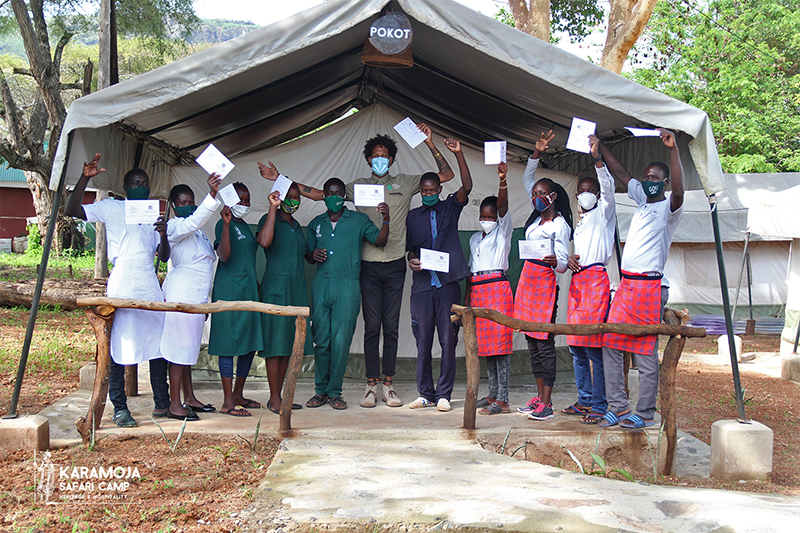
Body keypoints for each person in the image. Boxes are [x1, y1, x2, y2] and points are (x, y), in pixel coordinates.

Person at [258, 123, 454, 408]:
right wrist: (280, 180)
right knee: (372, 327)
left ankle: (389, 385)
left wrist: (430, 143)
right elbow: (319, 194)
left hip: (396, 263)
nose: (380, 159)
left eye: (384, 155)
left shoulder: (406, 182)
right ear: (368, 159)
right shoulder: (357, 188)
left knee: (392, 327)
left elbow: (446, 175)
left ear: (391, 158)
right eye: (375, 155)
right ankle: (370, 385)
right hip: (367, 265)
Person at [65, 154, 170, 428]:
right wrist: (85, 178)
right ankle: (120, 407)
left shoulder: (152, 213)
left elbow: (163, 255)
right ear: (125, 188)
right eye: (135, 183)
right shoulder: (111, 207)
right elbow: (72, 209)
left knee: (158, 340)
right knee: (119, 345)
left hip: (148, 280)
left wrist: (162, 233)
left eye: (145, 182)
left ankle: (163, 401)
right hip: (123, 279)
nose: (141, 186)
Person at [597, 129, 684, 429]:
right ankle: (617, 406)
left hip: (648, 287)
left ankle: (645, 412)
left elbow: (680, 191)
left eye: (654, 178)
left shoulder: (669, 209)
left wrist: (672, 150)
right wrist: (600, 143)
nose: (648, 181)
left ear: (664, 183)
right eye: (646, 176)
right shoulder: (642, 201)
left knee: (644, 351)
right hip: (626, 286)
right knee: (610, 341)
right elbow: (620, 171)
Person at [304, 178, 390, 410]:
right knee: (320, 339)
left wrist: (386, 219)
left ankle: (334, 391)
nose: (335, 197)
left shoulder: (359, 220)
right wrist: (313, 254)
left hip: (348, 285)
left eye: (339, 193)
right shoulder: (315, 223)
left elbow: (380, 241)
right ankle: (320, 390)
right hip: (322, 283)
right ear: (324, 195)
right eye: (330, 193)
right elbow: (307, 255)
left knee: (341, 342)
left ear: (345, 196)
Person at [406, 138, 472, 412]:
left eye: (432, 189)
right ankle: (425, 393)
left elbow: (467, 187)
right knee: (423, 342)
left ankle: (444, 394)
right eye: (424, 190)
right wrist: (411, 261)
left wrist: (458, 154)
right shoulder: (413, 216)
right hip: (422, 286)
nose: (428, 193)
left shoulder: (449, 207)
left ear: (439, 189)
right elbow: (410, 249)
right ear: (420, 192)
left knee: (448, 340)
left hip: (447, 285)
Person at [515, 131, 573, 421]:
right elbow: (528, 179)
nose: (536, 197)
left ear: (552, 197)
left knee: (544, 343)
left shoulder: (560, 225)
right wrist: (535, 153)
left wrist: (555, 261)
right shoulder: (536, 219)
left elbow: (563, 262)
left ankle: (547, 403)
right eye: (535, 194)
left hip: (545, 283)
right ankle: (538, 398)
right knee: (531, 340)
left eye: (541, 194)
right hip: (527, 280)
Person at [158, 174, 222, 420]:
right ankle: (175, 403)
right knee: (179, 350)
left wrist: (204, 302)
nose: (188, 204)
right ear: (174, 206)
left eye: (191, 200)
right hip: (182, 294)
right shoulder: (176, 226)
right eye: (182, 202)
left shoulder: (198, 233)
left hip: (196, 295)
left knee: (188, 349)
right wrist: (213, 196)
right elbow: (194, 221)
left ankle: (189, 397)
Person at [563, 135, 616, 424]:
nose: (586, 194)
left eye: (590, 190)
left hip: (596, 280)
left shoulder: (605, 213)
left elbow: (608, 188)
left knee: (594, 345)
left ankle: (600, 403)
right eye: (582, 190)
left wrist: (597, 158)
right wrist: (570, 258)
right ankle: (584, 399)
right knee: (576, 345)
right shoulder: (580, 221)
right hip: (578, 281)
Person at [256, 182, 312, 414]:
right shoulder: (271, 219)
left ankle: (281, 395)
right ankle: (274, 398)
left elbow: (299, 253)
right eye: (289, 196)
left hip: (296, 287)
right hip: (276, 288)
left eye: (297, 196)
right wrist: (272, 209)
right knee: (275, 345)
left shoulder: (295, 224)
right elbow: (264, 242)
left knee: (290, 345)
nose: (294, 200)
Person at [209, 182, 264, 417]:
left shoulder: (245, 226)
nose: (245, 204)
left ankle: (239, 393)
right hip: (229, 291)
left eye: (247, 199)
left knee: (248, 343)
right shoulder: (225, 225)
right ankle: (227, 401)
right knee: (228, 344)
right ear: (229, 201)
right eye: (240, 199)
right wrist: (226, 224)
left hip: (249, 290)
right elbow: (224, 255)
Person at [468, 162, 514, 415]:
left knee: (501, 346)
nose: (486, 220)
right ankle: (493, 393)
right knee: (486, 346)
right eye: (483, 217)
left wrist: (502, 181)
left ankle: (504, 399)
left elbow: (504, 207)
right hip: (479, 289)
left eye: (491, 216)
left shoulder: (502, 233)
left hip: (497, 288)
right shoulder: (476, 238)